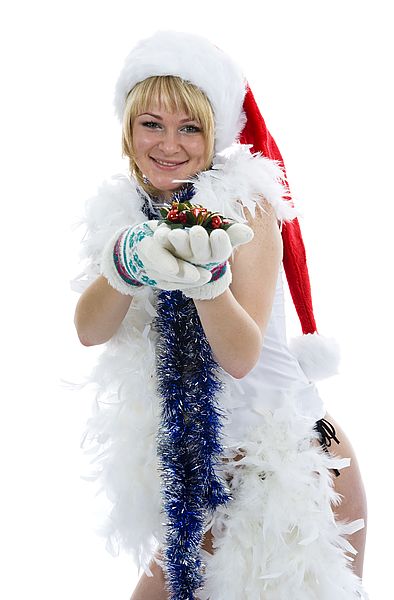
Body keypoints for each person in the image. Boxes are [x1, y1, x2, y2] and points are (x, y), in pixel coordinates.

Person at [73, 31, 368, 600]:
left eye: (190, 128)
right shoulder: (129, 213)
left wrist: (205, 280)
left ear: (215, 135)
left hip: (291, 477)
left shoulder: (244, 205)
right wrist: (128, 259)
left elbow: (240, 356)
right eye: (151, 124)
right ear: (128, 131)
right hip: (201, 480)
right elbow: (89, 330)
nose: (169, 144)